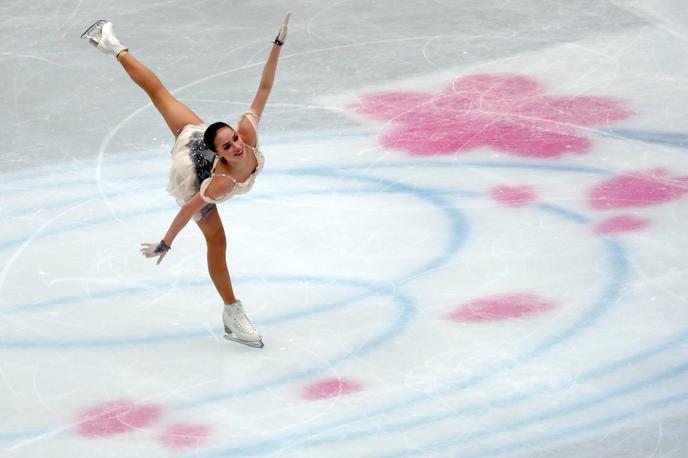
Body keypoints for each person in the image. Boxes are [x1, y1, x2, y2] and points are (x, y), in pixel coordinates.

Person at [81, 13, 292, 348]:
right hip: (191, 174)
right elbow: (187, 209)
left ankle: (112, 45)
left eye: (235, 139)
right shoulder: (219, 182)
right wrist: (166, 241)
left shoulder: (245, 133)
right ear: (218, 154)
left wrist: (277, 44)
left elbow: (264, 87)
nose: (237, 146)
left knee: (159, 92)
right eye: (228, 146)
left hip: (198, 137)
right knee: (218, 243)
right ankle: (232, 313)